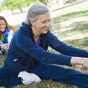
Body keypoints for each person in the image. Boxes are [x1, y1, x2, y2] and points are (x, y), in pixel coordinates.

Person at [0, 3, 88, 88]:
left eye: (49, 20)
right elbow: (44, 56)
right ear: (32, 22)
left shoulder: (45, 33)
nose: (48, 25)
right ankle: (23, 78)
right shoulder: (21, 36)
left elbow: (64, 48)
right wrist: (81, 61)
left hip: (34, 65)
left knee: (65, 73)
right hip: (14, 67)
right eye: (44, 22)